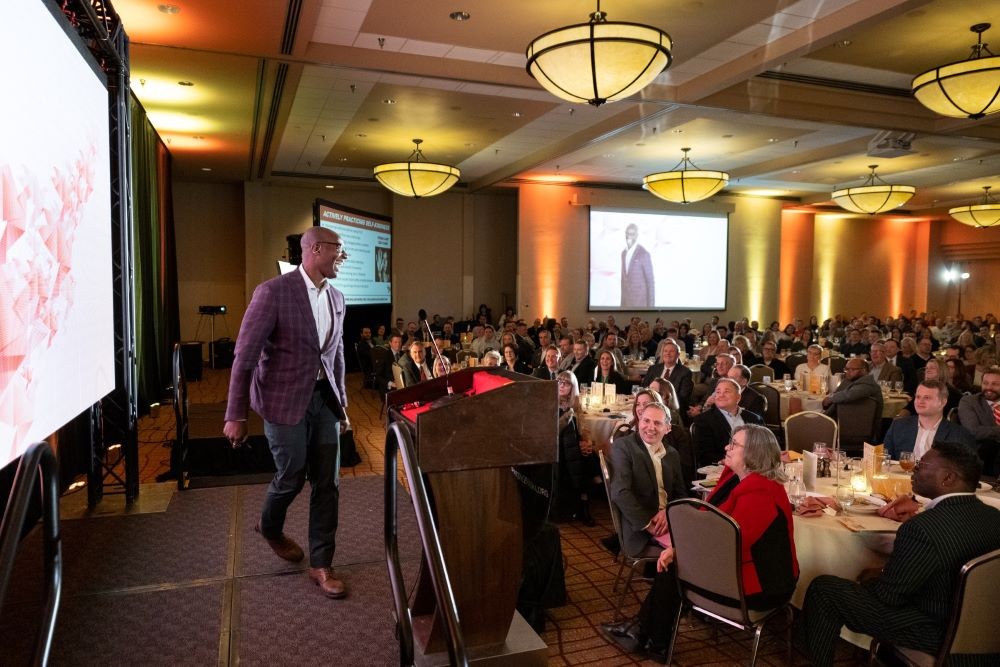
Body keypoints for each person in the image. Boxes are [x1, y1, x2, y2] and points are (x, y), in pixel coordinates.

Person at [224, 225, 351, 599]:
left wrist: (341, 405)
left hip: (323, 401)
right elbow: (244, 358)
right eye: (337, 250)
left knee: (328, 482)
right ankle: (270, 527)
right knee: (292, 475)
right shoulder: (272, 293)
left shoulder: (338, 297)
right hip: (281, 400)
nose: (342, 257)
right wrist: (236, 414)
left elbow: (335, 356)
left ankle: (321, 564)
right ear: (313, 249)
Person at [801, 441, 1000, 667]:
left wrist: (869, 576)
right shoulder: (994, 517)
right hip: (986, 631)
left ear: (948, 478)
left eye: (922, 465)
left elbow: (888, 596)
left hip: (937, 632)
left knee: (825, 590)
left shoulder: (923, 528)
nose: (913, 469)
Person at [608, 425, 798, 660]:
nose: (727, 447)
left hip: (762, 585)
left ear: (753, 453)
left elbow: (727, 547)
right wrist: (680, 549)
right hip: (740, 569)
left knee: (673, 568)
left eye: (734, 444)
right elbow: (709, 526)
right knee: (674, 565)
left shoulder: (762, 494)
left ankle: (649, 635)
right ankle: (648, 634)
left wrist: (680, 552)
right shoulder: (737, 479)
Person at [609, 402, 687, 555]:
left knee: (704, 541)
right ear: (638, 422)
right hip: (640, 528)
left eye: (657, 423)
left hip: (669, 521)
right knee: (688, 552)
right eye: (646, 421)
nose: (650, 427)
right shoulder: (624, 447)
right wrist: (649, 525)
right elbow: (620, 492)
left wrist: (668, 511)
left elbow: (681, 493)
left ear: (668, 428)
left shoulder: (672, 454)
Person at [883, 380, 976, 460]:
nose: (920, 401)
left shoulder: (958, 435)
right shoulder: (898, 427)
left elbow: (966, 471)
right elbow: (885, 459)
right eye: (918, 397)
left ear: (943, 402)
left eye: (927, 398)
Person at [692, 378, 764, 466]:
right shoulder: (703, 420)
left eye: (726, 391)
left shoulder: (755, 419)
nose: (721, 395)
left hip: (755, 466)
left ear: (738, 397)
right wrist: (726, 461)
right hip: (723, 469)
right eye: (718, 392)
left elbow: (765, 446)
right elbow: (703, 455)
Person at [556, 371, 597, 526]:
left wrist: (586, 442)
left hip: (573, 446)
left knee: (586, 453)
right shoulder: (550, 402)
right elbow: (553, 431)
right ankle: (583, 502)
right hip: (558, 445)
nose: (562, 385)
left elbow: (583, 428)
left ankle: (584, 505)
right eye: (559, 382)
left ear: (572, 387)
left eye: (566, 383)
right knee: (580, 458)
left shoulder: (576, 404)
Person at [957, 365, 1000, 476]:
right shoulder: (970, 401)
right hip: (983, 451)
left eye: (995, 384)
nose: (989, 387)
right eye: (985, 383)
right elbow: (973, 431)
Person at [642, 340, 694, 415]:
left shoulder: (685, 372)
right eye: (665, 351)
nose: (668, 354)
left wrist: (661, 401)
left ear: (678, 354)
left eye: (671, 351)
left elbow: (682, 397)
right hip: (649, 405)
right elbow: (644, 387)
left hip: (671, 409)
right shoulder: (653, 369)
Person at [620, 223, 654, 308]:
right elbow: (624, 281)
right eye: (627, 233)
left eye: (632, 234)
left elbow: (650, 282)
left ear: (637, 235)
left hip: (640, 306)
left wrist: (651, 308)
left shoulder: (644, 254)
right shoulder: (623, 254)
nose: (629, 236)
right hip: (625, 306)